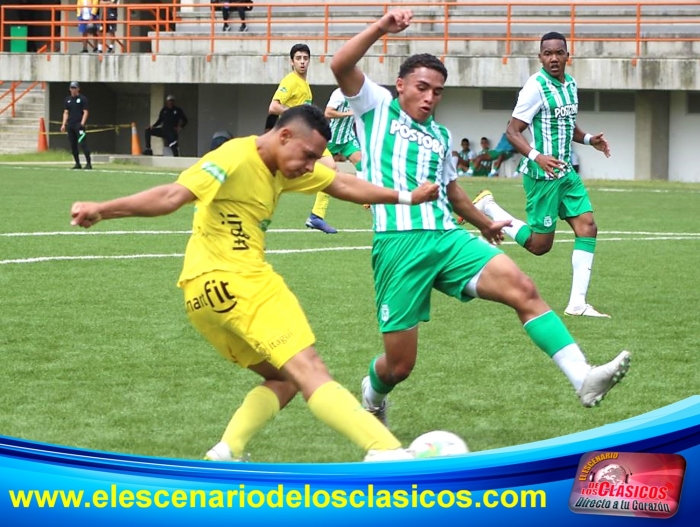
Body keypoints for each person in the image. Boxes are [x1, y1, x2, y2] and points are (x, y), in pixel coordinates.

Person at [70, 105, 440, 462]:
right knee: (310, 369)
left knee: (285, 379)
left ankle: (227, 451)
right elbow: (172, 196)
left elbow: (341, 184)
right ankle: (386, 450)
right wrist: (102, 209)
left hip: (202, 300)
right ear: (283, 135)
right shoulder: (234, 156)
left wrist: (406, 197)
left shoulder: (282, 166)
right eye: (308, 155)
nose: (310, 167)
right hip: (242, 282)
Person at [329, 10, 630, 426]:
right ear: (399, 86)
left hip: (447, 239)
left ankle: (583, 377)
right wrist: (381, 27)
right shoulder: (375, 107)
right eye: (422, 88)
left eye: (437, 91)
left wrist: (483, 222)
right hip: (398, 247)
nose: (430, 97)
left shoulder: (440, 135)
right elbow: (340, 65)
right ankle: (372, 394)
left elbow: (452, 192)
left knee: (523, 287)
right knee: (399, 366)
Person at [473, 31, 612, 318]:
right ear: (540, 57)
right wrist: (538, 156)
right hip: (541, 175)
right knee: (539, 246)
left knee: (588, 227)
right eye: (547, 53)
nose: (553, 58)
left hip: (565, 174)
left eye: (558, 52)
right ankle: (489, 207)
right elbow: (512, 132)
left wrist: (589, 141)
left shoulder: (571, 85)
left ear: (567, 56)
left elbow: (567, 124)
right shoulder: (534, 87)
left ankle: (577, 303)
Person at [269, 43, 339, 234]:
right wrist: (297, 115)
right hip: (298, 138)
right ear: (291, 62)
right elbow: (274, 107)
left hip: (308, 136)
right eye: (298, 58)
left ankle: (316, 216)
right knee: (282, 176)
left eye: (305, 58)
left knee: (331, 169)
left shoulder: (304, 84)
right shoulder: (290, 81)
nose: (302, 62)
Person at [324, 87, 362, 176]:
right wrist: (348, 113)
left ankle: (364, 188)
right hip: (332, 138)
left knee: (362, 165)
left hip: (348, 138)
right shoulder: (339, 94)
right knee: (328, 169)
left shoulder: (360, 95)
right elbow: (328, 113)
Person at [61, 81, 92, 170]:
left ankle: (88, 163)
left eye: (75, 88)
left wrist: (82, 123)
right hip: (70, 125)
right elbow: (66, 112)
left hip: (78, 125)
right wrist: (63, 124)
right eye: (72, 88)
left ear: (78, 89)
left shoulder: (82, 99)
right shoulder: (67, 100)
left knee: (83, 143)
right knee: (73, 145)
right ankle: (77, 163)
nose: (73, 90)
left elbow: (85, 112)